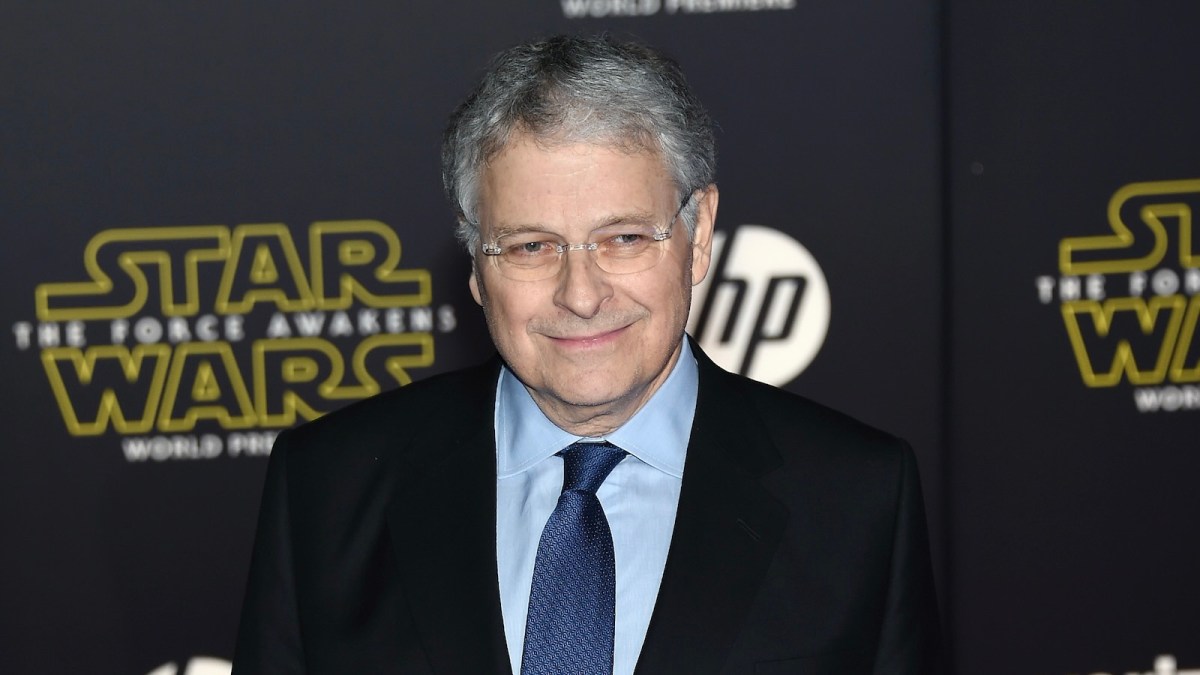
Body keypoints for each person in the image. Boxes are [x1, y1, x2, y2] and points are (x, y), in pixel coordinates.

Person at [233, 34, 942, 674]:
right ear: (476, 267)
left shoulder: (856, 500)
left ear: (698, 238)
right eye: (531, 246)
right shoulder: (327, 490)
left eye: (625, 238)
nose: (580, 293)